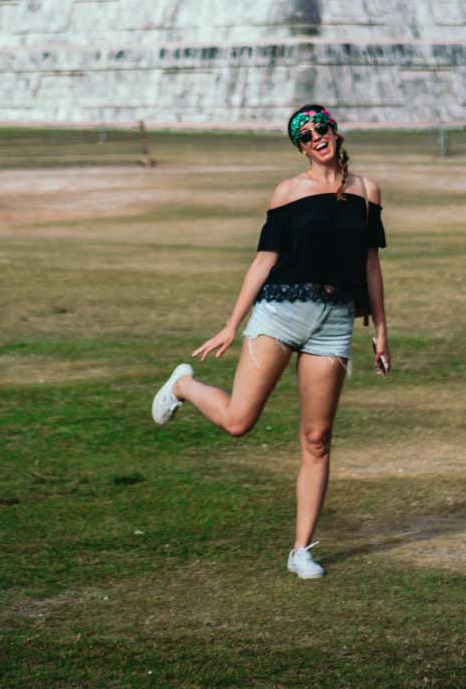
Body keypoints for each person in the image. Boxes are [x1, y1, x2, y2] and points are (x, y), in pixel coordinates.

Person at [150, 103, 390, 578]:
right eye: (304, 136)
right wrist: (230, 324)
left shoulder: (366, 191)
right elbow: (263, 261)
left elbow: (370, 264)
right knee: (239, 422)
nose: (315, 138)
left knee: (317, 439)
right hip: (280, 311)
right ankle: (184, 385)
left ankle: (301, 550)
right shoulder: (287, 192)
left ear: (335, 132)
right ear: (300, 147)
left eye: (320, 128)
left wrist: (381, 330)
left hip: (335, 320)